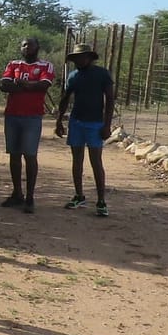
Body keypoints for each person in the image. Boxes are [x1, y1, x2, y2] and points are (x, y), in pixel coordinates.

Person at [55, 43, 114, 217]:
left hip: (95, 123)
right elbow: (65, 99)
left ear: (89, 57)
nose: (79, 60)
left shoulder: (102, 74)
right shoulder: (73, 76)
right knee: (77, 160)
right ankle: (79, 195)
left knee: (96, 161)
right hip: (76, 122)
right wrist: (59, 120)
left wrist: (107, 124)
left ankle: (101, 200)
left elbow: (110, 100)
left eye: (82, 57)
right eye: (76, 58)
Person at [0, 38, 55, 213]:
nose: (26, 47)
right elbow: (4, 85)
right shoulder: (13, 64)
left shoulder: (46, 66)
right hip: (12, 115)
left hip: (32, 116)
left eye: (30, 44)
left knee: (30, 155)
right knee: (14, 155)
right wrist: (30, 86)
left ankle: (30, 197)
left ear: (37, 47)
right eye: (23, 45)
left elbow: (44, 85)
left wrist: (21, 84)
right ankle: (17, 193)